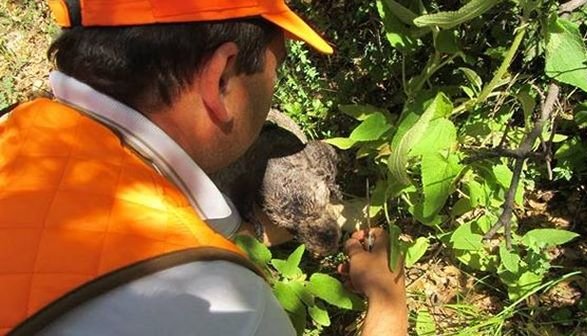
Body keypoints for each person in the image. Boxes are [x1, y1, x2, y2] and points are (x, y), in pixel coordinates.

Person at [0, 1, 407, 335]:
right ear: (222, 78)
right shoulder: (219, 303)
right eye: (276, 69)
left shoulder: (11, 130)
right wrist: (389, 303)